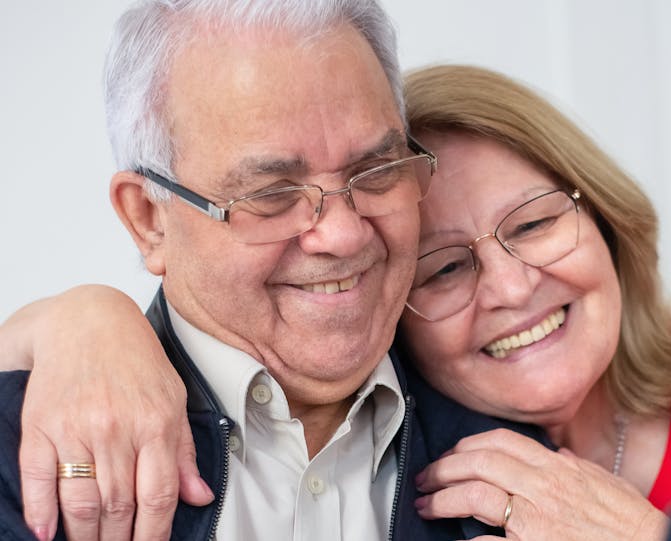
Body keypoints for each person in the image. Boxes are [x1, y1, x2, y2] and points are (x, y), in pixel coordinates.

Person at [5, 63, 671, 539]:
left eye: (537, 222)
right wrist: (82, 317)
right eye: (444, 270)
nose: (513, 287)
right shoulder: (393, 435)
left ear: (605, 218)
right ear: (384, 304)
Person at [0, 2, 548, 540]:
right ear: (149, 220)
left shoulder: (521, 465)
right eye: (273, 194)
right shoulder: (26, 453)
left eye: (376, 172)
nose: (343, 234)